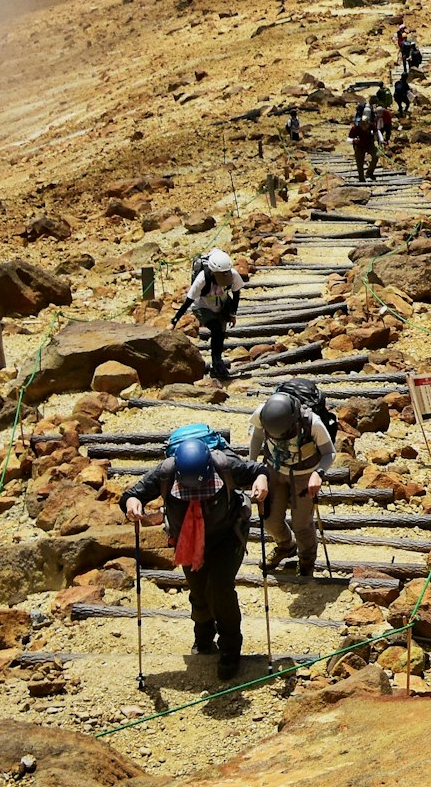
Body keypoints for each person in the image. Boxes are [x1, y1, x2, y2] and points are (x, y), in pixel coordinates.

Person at [122, 436, 254, 680]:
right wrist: (133, 504)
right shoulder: (166, 471)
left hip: (227, 535)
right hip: (188, 539)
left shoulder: (225, 465)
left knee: (220, 588)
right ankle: (203, 634)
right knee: (199, 589)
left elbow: (258, 471)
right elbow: (132, 494)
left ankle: (230, 649)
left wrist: (262, 483)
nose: (195, 496)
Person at [249, 388, 336, 577]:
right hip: (274, 468)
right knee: (270, 520)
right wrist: (254, 470)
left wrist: (318, 474)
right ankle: (286, 546)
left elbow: (329, 452)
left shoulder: (312, 422)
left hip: (305, 474)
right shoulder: (262, 414)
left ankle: (306, 563)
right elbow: (256, 437)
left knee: (302, 525)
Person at [173, 250, 243, 383]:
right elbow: (188, 300)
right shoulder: (202, 278)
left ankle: (217, 361)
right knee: (216, 329)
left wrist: (232, 314)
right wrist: (174, 320)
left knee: (221, 333)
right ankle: (216, 362)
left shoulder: (232, 274)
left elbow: (236, 294)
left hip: (221, 305)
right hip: (202, 307)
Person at [350, 100, 379, 182]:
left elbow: (376, 132)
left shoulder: (371, 125)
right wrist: (354, 140)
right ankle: (361, 177)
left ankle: (370, 172)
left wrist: (376, 140)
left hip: (369, 144)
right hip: (359, 145)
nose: (365, 126)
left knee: (376, 156)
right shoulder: (355, 128)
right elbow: (349, 139)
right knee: (359, 161)